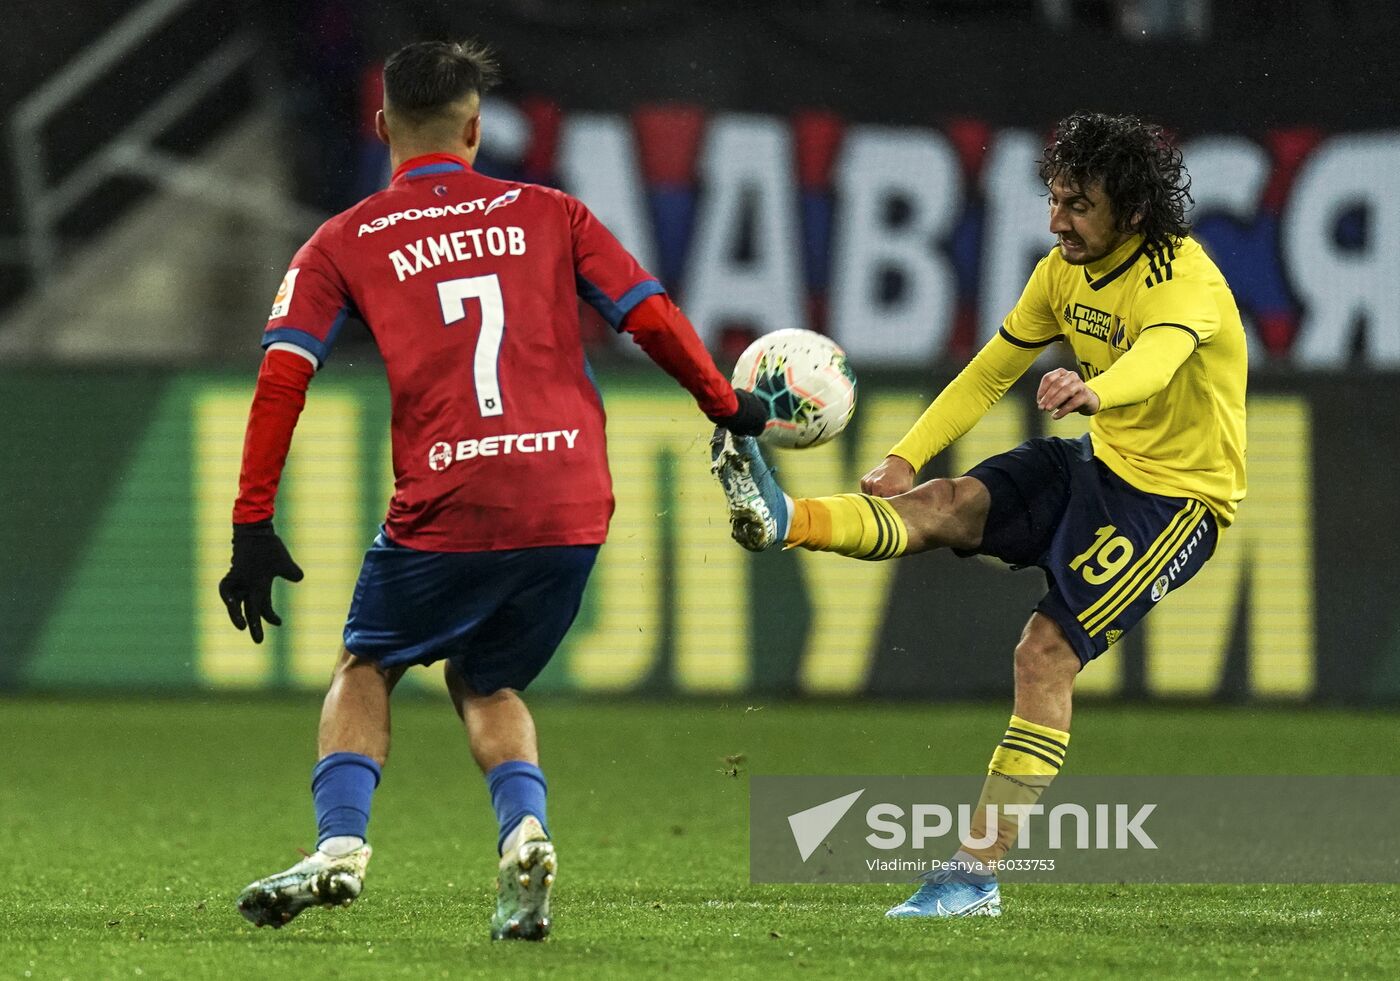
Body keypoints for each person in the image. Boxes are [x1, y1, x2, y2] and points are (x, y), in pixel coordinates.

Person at [219, 40, 766, 940]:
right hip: (571, 493)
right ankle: (524, 834)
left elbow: (284, 376)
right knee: (490, 674)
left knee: (369, 663)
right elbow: (651, 315)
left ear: (382, 124)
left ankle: (340, 848)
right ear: (476, 129)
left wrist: (251, 522)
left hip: (452, 496)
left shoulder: (340, 240)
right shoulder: (552, 211)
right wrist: (724, 400)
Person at [712, 111, 1246, 917]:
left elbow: (1160, 355)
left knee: (1043, 655)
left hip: (1173, 500)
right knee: (945, 503)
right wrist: (904, 456)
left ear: (1133, 211)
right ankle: (785, 518)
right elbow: (990, 371)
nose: (1057, 219)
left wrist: (1099, 390)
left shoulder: (1184, 277)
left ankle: (974, 875)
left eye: (1078, 205)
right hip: (1095, 462)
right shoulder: (1060, 272)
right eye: (1055, 198)